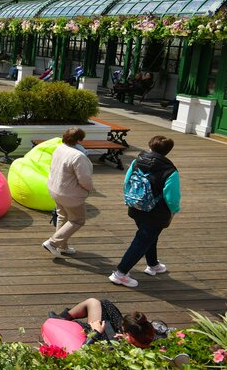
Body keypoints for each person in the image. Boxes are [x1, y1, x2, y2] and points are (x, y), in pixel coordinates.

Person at [109, 136, 181, 288]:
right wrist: (174, 212)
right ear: (167, 151)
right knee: (142, 241)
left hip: (136, 206)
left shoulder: (137, 161)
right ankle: (120, 274)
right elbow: (171, 198)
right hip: (156, 213)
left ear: (150, 146)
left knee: (149, 236)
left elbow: (126, 181)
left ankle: (153, 265)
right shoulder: (170, 171)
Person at [43, 128, 94, 258]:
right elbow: (84, 179)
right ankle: (53, 243)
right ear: (79, 140)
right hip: (70, 194)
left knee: (62, 216)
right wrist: (89, 188)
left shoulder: (59, 148)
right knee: (78, 220)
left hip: (55, 189)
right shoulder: (78, 156)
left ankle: (62, 246)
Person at [48, 298, 162, 348]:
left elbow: (82, 352)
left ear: (129, 336)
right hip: (122, 341)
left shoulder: (126, 355)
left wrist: (96, 333)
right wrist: (126, 339)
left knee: (92, 303)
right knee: (104, 303)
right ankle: (63, 316)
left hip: (107, 345)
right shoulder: (152, 339)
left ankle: (62, 318)